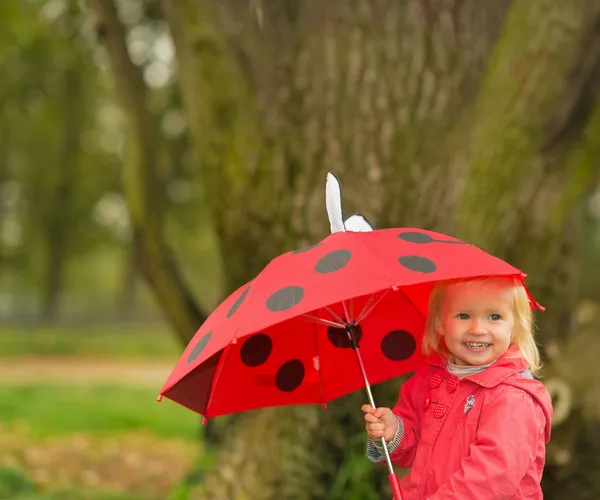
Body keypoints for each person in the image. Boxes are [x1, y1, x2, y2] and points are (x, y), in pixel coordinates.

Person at [362, 276, 553, 499]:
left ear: (515, 326)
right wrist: (394, 431)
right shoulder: (426, 382)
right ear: (440, 323)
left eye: (495, 317)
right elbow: (415, 449)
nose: (478, 329)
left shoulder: (513, 399)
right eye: (463, 315)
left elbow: (491, 477)